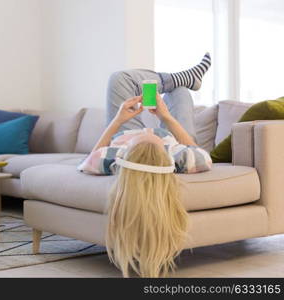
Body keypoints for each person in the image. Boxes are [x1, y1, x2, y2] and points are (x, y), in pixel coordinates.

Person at [77, 54, 213, 277]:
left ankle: (187, 77)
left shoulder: (115, 156)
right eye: (154, 143)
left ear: (127, 153)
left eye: (140, 142)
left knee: (119, 78)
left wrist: (118, 120)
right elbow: (200, 154)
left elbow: (87, 161)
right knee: (179, 91)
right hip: (174, 136)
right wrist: (167, 118)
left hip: (125, 130)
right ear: (163, 156)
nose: (148, 135)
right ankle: (187, 79)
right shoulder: (176, 156)